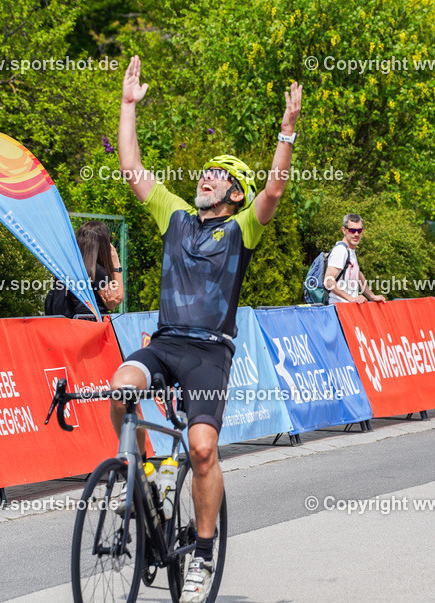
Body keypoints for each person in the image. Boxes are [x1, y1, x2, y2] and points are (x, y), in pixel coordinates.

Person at [110, 55, 301, 603]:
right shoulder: (173, 215)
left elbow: (274, 192)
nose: (206, 177)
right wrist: (128, 108)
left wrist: (285, 132)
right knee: (119, 390)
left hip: (210, 355)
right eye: (206, 170)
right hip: (166, 342)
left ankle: (203, 551)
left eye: (219, 175)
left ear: (234, 195)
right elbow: (130, 167)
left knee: (200, 449)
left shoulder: (242, 230)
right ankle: (139, 475)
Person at [43, 220, 123, 316]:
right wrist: (116, 265)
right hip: (91, 326)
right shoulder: (95, 271)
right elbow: (118, 297)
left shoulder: (70, 267)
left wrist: (111, 304)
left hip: (68, 325)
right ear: (102, 244)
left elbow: (111, 303)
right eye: (109, 240)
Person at [324, 213, 385, 304]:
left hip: (350, 308)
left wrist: (372, 296)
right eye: (352, 230)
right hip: (338, 308)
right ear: (344, 230)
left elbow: (357, 273)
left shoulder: (351, 251)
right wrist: (350, 298)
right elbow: (328, 280)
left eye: (359, 231)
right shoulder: (341, 250)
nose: (356, 234)